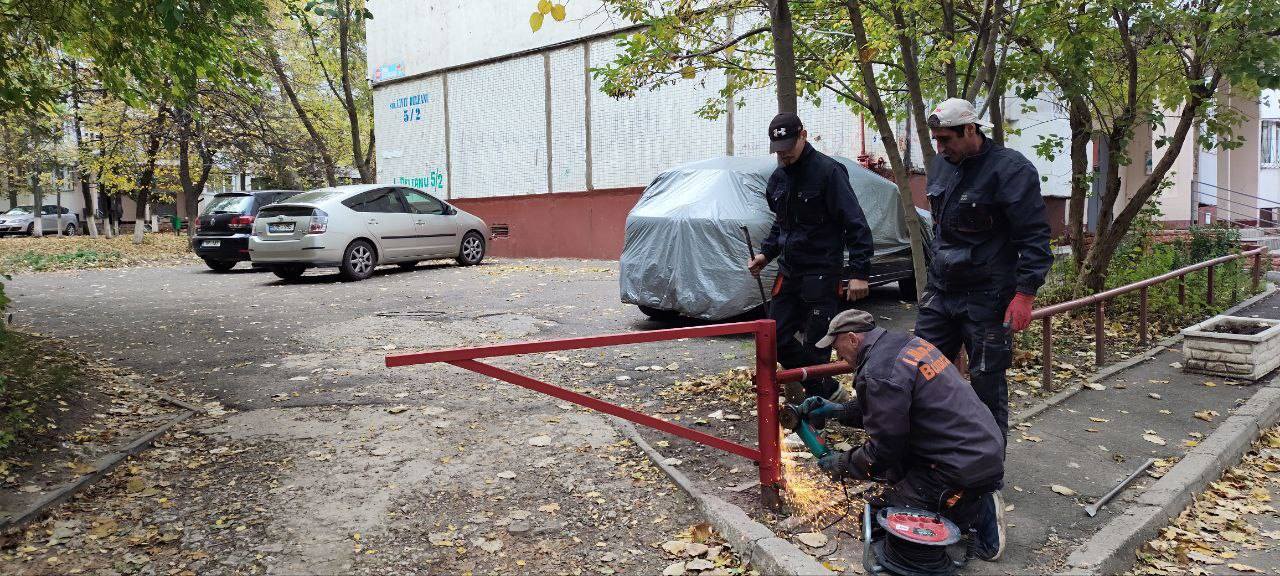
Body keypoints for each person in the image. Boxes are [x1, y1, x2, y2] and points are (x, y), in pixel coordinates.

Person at [911, 97, 1053, 562]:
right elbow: (941, 232)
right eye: (936, 140)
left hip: (990, 298)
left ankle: (987, 484)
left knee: (988, 387)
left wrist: (1025, 294)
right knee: (917, 374)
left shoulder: (1011, 170)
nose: (940, 148)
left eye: (947, 139)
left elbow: (1034, 237)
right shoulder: (941, 166)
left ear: (971, 130)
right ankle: (927, 468)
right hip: (942, 293)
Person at [798, 309, 1006, 561]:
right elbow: (890, 409)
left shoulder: (879, 372)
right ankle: (966, 494)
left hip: (958, 463)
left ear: (852, 339)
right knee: (895, 476)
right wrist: (839, 410)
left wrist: (841, 464)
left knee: (878, 518)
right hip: (980, 448)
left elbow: (884, 451)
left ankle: (974, 511)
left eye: (837, 347)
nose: (838, 356)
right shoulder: (902, 343)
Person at [747, 112, 875, 401]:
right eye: (778, 150)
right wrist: (766, 254)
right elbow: (781, 225)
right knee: (772, 340)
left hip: (822, 274)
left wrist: (859, 272)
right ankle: (828, 390)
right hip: (789, 273)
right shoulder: (778, 179)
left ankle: (817, 413)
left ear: (803, 136)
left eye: (788, 147)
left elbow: (855, 222)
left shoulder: (829, 172)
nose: (783, 155)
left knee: (818, 347)